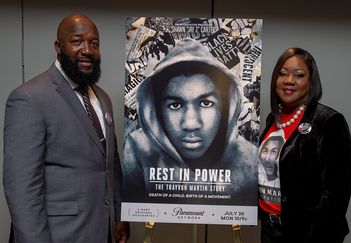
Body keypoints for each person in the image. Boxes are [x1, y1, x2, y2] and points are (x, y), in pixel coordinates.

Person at [3, 14, 129, 243]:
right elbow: (22, 188)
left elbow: (111, 164)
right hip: (58, 235)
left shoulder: (102, 98)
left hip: (102, 231)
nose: (87, 50)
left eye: (94, 43)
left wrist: (119, 215)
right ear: (58, 47)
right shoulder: (29, 98)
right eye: (77, 41)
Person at [122, 38, 258, 205]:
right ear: (156, 110)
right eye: (175, 105)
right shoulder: (137, 149)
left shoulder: (249, 158)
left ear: (226, 106)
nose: (191, 124)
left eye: (206, 103)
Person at [259, 47, 351, 243]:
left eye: (298, 75)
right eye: (282, 74)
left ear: (311, 82)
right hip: (270, 229)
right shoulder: (272, 119)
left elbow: (336, 196)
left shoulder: (328, 121)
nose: (289, 81)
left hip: (307, 233)